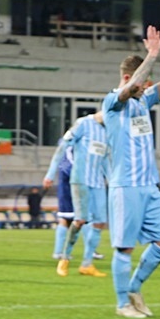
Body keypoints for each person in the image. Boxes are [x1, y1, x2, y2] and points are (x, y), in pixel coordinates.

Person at [102, 21, 160, 319]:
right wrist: (152, 55)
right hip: (125, 186)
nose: (147, 89)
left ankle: (134, 289)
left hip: (149, 186)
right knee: (124, 248)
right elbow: (127, 92)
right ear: (127, 78)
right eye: (143, 83)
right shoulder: (112, 102)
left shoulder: (144, 100)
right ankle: (122, 304)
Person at [47, 112, 109, 278]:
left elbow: (104, 159)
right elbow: (63, 147)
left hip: (98, 182)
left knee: (100, 223)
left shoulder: (109, 129)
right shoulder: (83, 123)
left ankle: (87, 264)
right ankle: (64, 258)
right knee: (80, 220)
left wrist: (112, 180)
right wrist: (50, 174)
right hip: (80, 179)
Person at [43, 144, 79, 260]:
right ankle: (59, 252)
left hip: (70, 179)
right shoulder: (71, 140)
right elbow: (67, 162)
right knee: (71, 218)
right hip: (71, 181)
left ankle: (60, 252)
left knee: (77, 217)